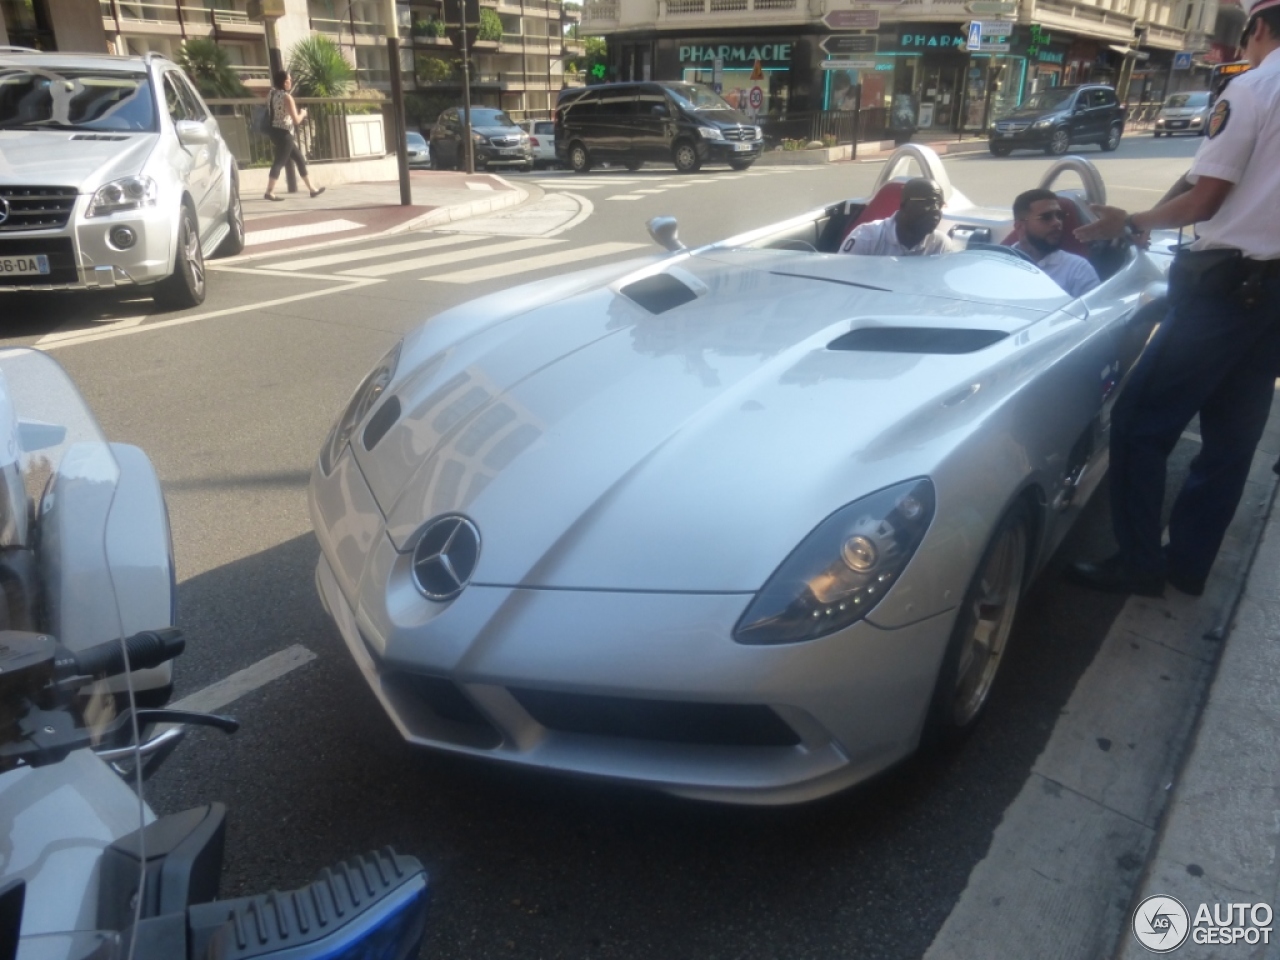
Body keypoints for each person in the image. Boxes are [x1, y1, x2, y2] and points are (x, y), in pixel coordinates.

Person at [1066, 0, 1280, 598]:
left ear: (1258, 28)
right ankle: (1188, 564)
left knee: (1137, 423)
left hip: (1225, 290)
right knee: (1232, 441)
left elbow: (1204, 199)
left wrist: (1132, 220)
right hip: (1273, 300)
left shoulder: (1253, 90)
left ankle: (1138, 562)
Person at [1009, 188, 1101, 298]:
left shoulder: (1077, 269)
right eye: (1046, 217)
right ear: (1020, 226)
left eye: (1060, 216)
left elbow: (1094, 313)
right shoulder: (998, 263)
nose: (1057, 222)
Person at [840, 178, 956, 257]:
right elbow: (841, 277)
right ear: (904, 205)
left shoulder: (940, 244)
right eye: (928, 202)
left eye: (939, 204)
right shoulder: (866, 237)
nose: (935, 210)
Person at [263, 71, 326, 202]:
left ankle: (312, 189)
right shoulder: (286, 97)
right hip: (285, 133)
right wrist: (303, 113)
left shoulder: (271, 93)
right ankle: (269, 192)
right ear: (284, 82)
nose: (290, 82)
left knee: (299, 159)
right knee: (279, 162)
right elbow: (296, 120)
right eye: (289, 80)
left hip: (274, 131)